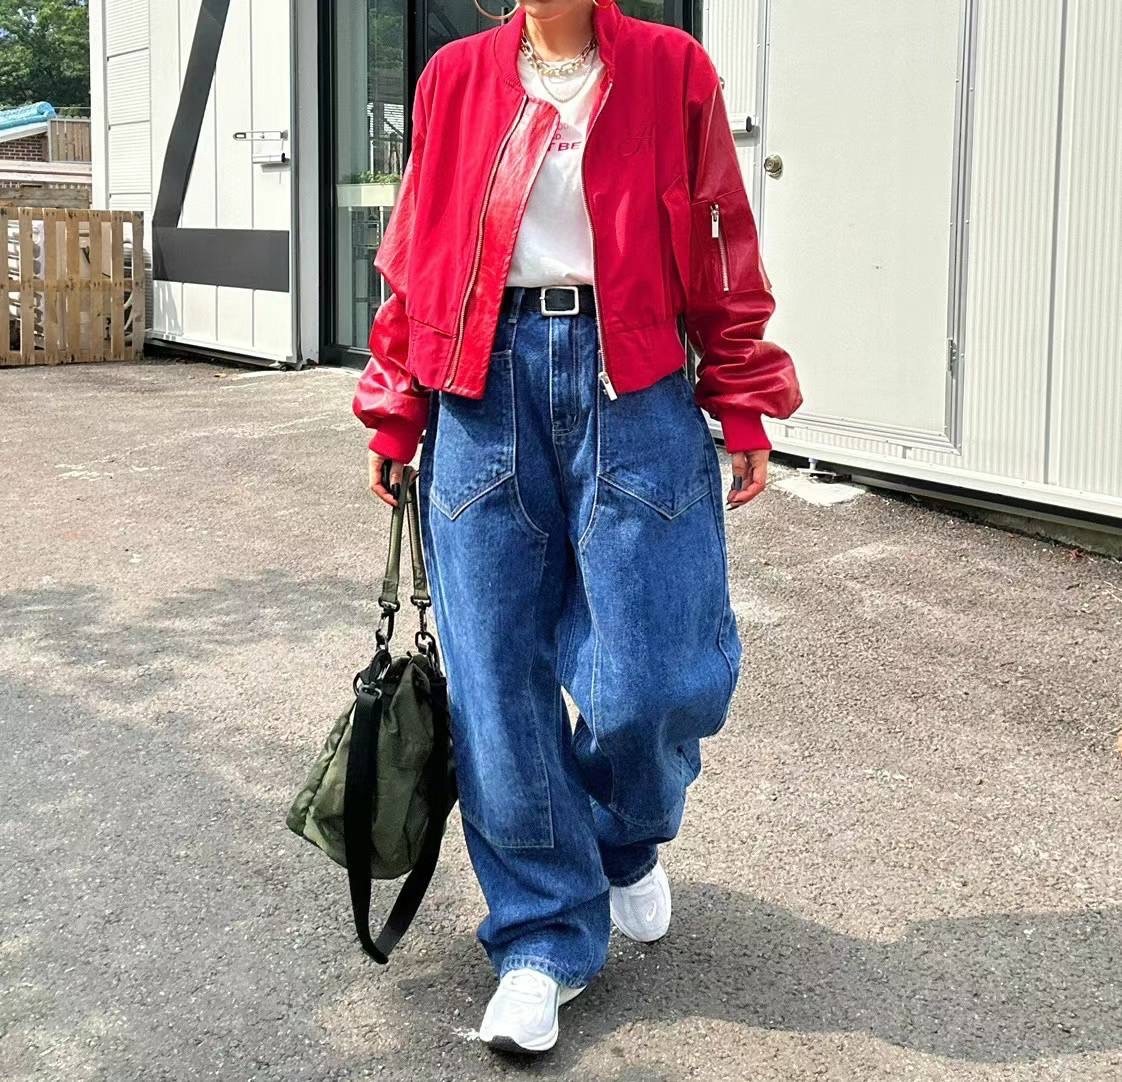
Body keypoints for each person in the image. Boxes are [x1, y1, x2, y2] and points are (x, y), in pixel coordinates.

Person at [353, 0, 801, 1055]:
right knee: (497, 684)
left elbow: (721, 239)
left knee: (655, 677)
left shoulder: (671, 69)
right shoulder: (455, 77)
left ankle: (623, 836)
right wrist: (397, 404)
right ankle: (541, 937)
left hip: (632, 382)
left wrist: (741, 394)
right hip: (480, 391)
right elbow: (418, 252)